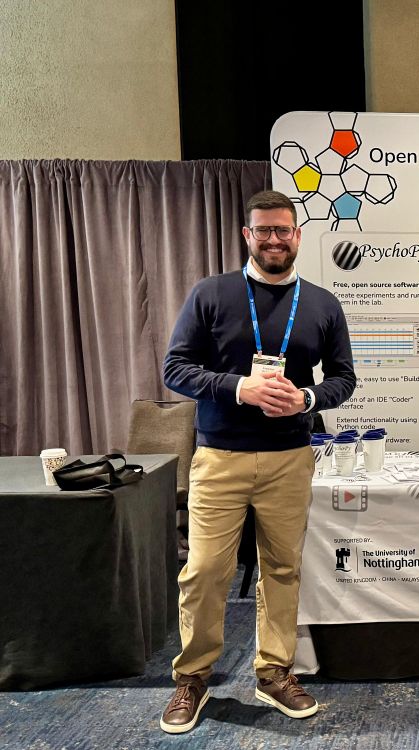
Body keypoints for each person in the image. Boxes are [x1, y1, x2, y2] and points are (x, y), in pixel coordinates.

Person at [158, 190, 356, 734]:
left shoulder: (321, 304)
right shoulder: (212, 293)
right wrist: (238, 387)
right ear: (248, 236)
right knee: (203, 572)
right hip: (220, 457)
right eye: (262, 230)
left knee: (284, 570)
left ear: (298, 235)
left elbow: (344, 377)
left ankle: (273, 673)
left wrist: (309, 399)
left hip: (291, 458)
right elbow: (175, 369)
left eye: (283, 230)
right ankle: (193, 678)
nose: (273, 239)